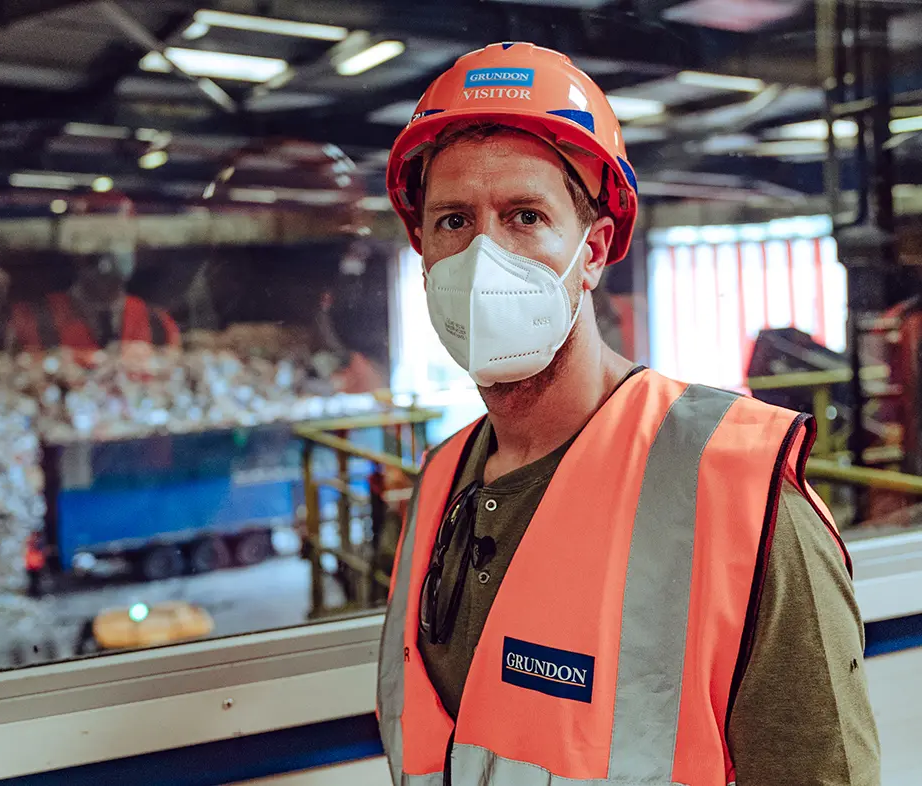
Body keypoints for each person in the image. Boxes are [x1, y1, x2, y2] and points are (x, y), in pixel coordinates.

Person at [377, 43, 881, 786]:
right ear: (421, 251)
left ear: (594, 249)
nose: (484, 259)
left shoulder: (736, 491)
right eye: (454, 221)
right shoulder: (440, 484)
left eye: (525, 216)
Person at [7, 245, 180, 353]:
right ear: (77, 255)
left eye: (120, 239)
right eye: (99, 241)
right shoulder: (31, 318)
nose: (108, 252)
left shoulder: (159, 324)